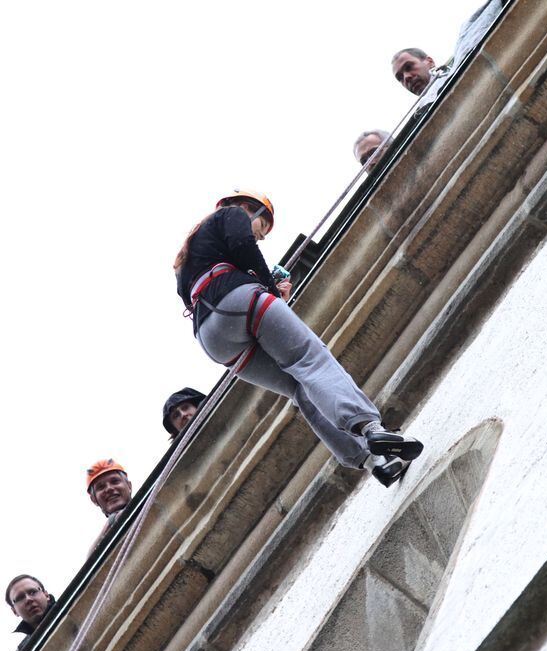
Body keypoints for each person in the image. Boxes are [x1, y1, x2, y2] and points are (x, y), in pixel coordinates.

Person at [173, 188, 423, 486]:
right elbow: (243, 243)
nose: (261, 237)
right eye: (262, 227)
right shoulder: (232, 214)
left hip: (211, 337)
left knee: (300, 390)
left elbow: (200, 286)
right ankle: (370, 428)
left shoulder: (187, 259)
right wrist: (269, 287)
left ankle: (372, 461)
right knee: (311, 360)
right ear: (247, 208)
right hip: (237, 300)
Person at [86, 459, 132, 554]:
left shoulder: (154, 498)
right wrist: (111, 523)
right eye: (101, 487)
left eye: (115, 481)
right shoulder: (103, 544)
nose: (109, 488)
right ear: (94, 500)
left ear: (129, 486)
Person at [5, 574, 55, 651]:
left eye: (33, 592)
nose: (28, 599)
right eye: (20, 598)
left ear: (46, 595)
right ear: (14, 611)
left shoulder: (74, 606)